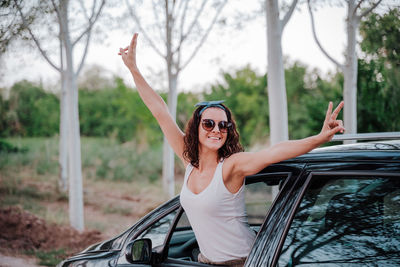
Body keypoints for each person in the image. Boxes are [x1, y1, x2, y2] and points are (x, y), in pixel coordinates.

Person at [119, 33, 345, 266]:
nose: (216, 129)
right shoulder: (189, 162)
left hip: (244, 261)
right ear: (196, 128)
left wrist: (319, 139)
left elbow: (273, 152)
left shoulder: (230, 167)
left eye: (223, 125)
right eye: (208, 124)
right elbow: (160, 112)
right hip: (207, 261)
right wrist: (134, 70)